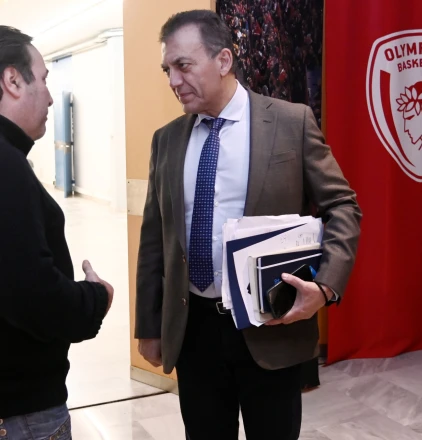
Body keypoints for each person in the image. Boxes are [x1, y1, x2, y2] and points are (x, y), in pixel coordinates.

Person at [136, 10, 361, 440]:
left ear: (223, 60)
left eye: (183, 65)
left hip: (270, 324)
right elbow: (154, 239)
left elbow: (343, 206)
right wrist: (149, 326)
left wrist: (325, 287)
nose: (173, 81)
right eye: (167, 70)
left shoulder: (290, 123)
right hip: (194, 330)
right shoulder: (166, 139)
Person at [0, 26, 114, 440]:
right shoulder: (7, 166)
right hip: (22, 411)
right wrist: (96, 298)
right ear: (13, 81)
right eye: (44, 79)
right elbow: (33, 295)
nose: (50, 97)